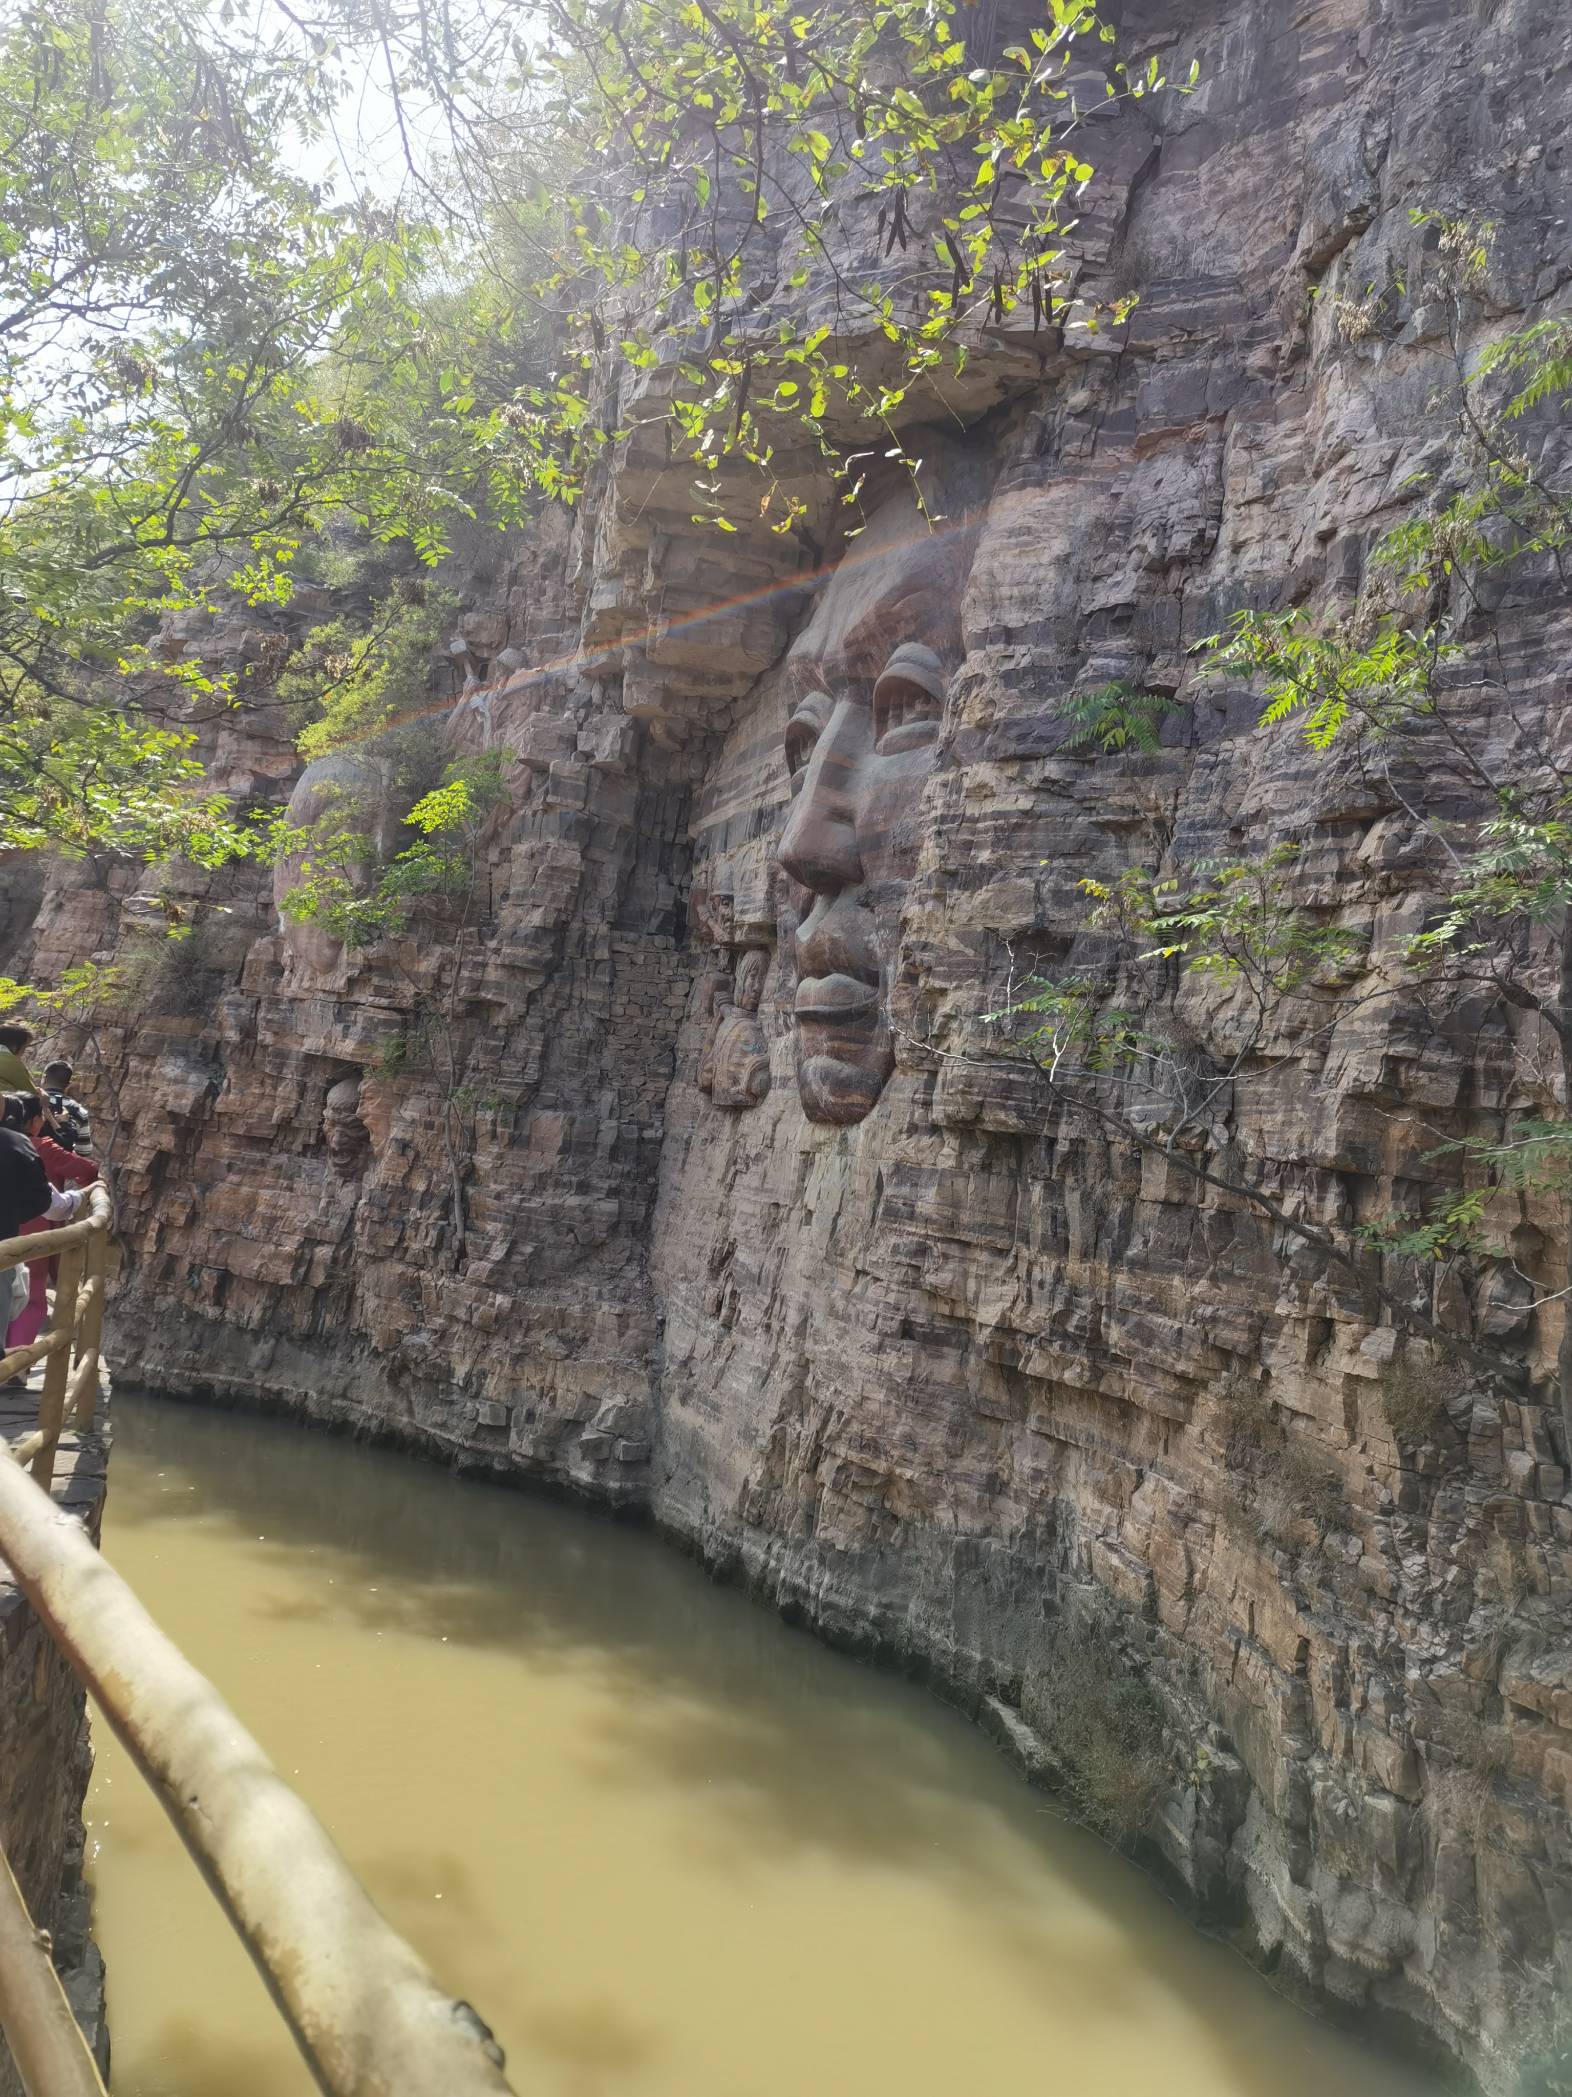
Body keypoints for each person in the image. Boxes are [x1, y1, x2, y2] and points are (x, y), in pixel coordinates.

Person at [1, 1094, 94, 1353]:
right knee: (31, 1299)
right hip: (29, 1235)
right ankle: (14, 1364)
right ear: (33, 1121)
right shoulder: (32, 1145)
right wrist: (87, 1192)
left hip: (19, 1232)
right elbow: (51, 1199)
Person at [40, 1060, 92, 1154]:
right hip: (57, 1165)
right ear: (68, 1085)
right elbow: (84, 1151)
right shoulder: (80, 1111)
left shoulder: (30, 1100)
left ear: (44, 1078)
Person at [0, 1021, 39, 1096]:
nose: (24, 1052)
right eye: (24, 1047)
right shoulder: (11, 1061)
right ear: (15, 1047)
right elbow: (31, 1093)